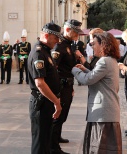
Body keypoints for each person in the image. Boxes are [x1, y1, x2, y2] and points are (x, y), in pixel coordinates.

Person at [72, 32, 122, 154]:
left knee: (100, 149)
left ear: (103, 45)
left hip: (103, 114)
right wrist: (85, 69)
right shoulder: (111, 60)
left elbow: (88, 79)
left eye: (93, 44)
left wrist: (74, 70)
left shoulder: (104, 61)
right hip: (107, 112)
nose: (91, 46)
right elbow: (100, 78)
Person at [28, 22, 62, 154]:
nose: (58, 41)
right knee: (40, 143)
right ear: (47, 36)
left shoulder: (46, 51)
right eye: (56, 38)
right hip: (41, 103)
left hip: (46, 102)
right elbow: (40, 83)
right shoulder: (39, 53)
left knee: (46, 140)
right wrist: (56, 102)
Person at [51, 19, 83, 154]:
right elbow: (53, 69)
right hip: (61, 86)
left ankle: (57, 137)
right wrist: (57, 89)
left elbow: (67, 68)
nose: (78, 35)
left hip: (68, 85)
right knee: (58, 115)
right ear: (68, 30)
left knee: (63, 115)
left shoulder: (69, 45)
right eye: (75, 32)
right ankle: (52, 146)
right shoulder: (59, 46)